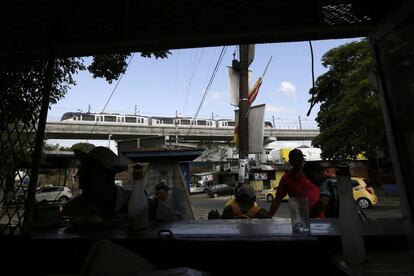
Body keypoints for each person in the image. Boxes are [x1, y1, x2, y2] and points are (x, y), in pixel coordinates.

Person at [61, 146, 130, 220]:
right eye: (80, 176)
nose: (82, 185)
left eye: (88, 176)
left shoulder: (133, 202)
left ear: (109, 177)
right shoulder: (73, 208)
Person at [268, 148, 323, 218]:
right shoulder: (286, 178)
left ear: (303, 160)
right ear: (291, 161)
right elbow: (277, 200)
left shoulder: (311, 174)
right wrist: (268, 217)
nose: (300, 161)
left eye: (301, 158)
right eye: (296, 159)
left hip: (319, 218)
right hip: (300, 219)